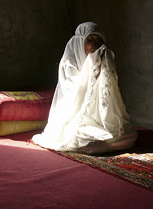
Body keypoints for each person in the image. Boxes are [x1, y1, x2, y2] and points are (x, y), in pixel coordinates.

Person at [32, 22, 138, 154]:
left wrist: (102, 69)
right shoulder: (69, 63)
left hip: (98, 117)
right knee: (82, 138)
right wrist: (92, 69)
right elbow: (74, 95)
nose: (95, 44)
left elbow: (109, 97)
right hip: (74, 117)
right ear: (79, 42)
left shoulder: (103, 60)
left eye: (99, 40)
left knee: (129, 133)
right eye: (90, 40)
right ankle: (98, 144)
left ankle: (102, 143)